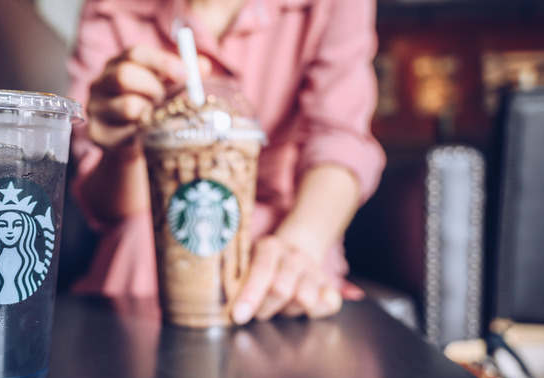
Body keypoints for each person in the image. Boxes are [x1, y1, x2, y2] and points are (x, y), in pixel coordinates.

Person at [66, 0, 386, 323]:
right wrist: (125, 146)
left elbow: (339, 140)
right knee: (141, 242)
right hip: (148, 240)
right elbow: (107, 205)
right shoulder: (110, 8)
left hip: (289, 227)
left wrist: (300, 244)